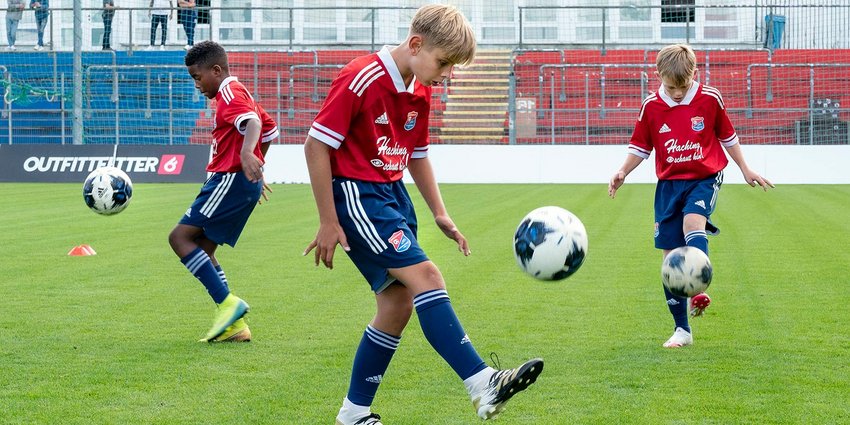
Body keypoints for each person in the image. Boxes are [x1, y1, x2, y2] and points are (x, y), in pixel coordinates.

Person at [303, 5, 543, 424]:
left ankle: (353, 414)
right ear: (416, 45)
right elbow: (316, 145)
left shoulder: (420, 87)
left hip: (392, 196)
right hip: (359, 196)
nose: (447, 73)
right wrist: (328, 219)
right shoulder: (362, 77)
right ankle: (482, 383)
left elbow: (416, 154)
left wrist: (440, 213)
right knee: (428, 278)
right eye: (444, 62)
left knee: (396, 305)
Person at [608, 43, 774, 348]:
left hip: (705, 177)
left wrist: (745, 168)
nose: (677, 93)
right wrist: (622, 172)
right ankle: (682, 330)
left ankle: (698, 288)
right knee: (670, 259)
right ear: (657, 75)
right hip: (669, 185)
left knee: (693, 223)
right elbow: (641, 147)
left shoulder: (710, 98)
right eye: (671, 87)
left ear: (694, 73)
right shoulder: (651, 106)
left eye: (682, 86)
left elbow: (728, 136)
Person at [169, 40, 279, 343]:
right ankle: (234, 326)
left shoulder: (230, 91)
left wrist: (247, 156)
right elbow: (270, 129)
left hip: (228, 179)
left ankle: (229, 304)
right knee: (202, 250)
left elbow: (254, 123)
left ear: (216, 70)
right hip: (239, 180)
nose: (196, 85)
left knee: (179, 238)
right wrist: (256, 162)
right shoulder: (237, 92)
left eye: (197, 77)